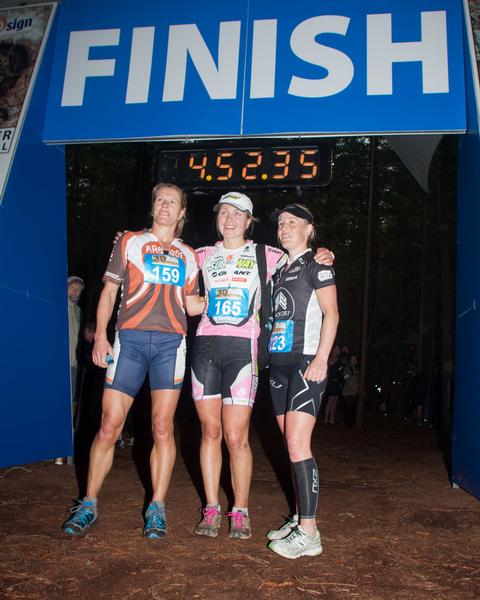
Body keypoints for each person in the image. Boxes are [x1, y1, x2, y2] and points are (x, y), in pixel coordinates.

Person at [62, 182, 204, 538]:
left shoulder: (190, 255)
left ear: (182, 211)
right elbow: (109, 291)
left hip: (171, 345)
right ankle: (88, 503)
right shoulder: (129, 242)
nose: (165, 206)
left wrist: (239, 296)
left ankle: (157, 506)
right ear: (152, 207)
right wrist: (102, 335)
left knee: (161, 427)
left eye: (172, 201)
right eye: (159, 200)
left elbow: (191, 305)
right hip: (130, 341)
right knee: (110, 424)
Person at [191, 192, 334, 540]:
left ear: (249, 221)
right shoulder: (201, 255)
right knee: (210, 432)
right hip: (205, 347)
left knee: (237, 436)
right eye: (224, 213)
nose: (230, 219)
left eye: (238, 214)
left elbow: (307, 259)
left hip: (245, 351)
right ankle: (211, 509)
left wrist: (323, 252)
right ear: (217, 218)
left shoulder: (266, 255)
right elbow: (171, 263)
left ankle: (240, 510)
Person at [266, 203, 338, 559]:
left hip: (306, 363)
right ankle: (300, 517)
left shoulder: (317, 264)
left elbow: (332, 314)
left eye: (292, 222)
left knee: (298, 443)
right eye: (281, 223)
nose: (284, 228)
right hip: (277, 367)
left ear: (309, 229)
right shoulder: (278, 267)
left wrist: (322, 359)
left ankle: (310, 532)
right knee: (290, 446)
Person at [55, 275, 84, 466]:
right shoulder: (56, 307)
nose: (76, 291)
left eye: (78, 289)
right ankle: (56, 452)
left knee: (70, 405)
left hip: (73, 364)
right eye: (72, 287)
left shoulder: (78, 311)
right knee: (58, 405)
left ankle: (67, 453)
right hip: (58, 364)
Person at [323, 344, 344, 425]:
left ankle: (332, 419)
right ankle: (325, 419)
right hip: (331, 382)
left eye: (338, 349)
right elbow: (328, 371)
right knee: (330, 400)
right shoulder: (329, 358)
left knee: (335, 400)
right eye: (335, 349)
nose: (337, 350)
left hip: (337, 383)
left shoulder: (339, 359)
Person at [342, 354, 359, 427]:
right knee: (348, 409)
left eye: (355, 360)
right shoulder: (347, 368)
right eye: (352, 359)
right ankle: (347, 424)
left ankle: (351, 423)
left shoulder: (357, 368)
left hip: (354, 392)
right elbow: (344, 377)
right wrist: (351, 373)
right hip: (348, 392)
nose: (353, 361)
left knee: (353, 408)